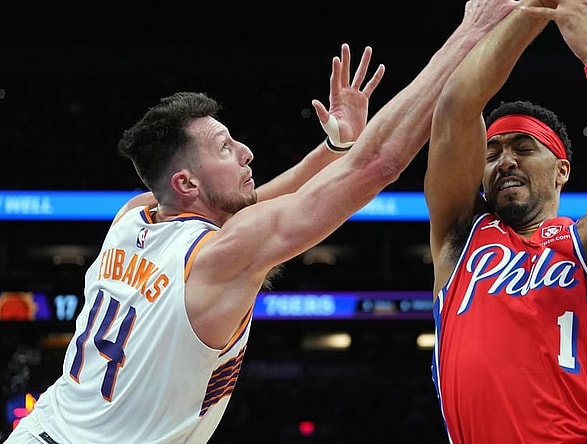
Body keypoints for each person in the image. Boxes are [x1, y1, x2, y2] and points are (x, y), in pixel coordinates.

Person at [4, 0, 521, 442]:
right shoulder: (215, 259)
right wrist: (471, 32)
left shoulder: (134, 216)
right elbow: (378, 165)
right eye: (226, 147)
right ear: (186, 184)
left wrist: (333, 147)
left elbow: (258, 204)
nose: (247, 151)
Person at [426, 0, 587, 442]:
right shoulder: (461, 237)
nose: (504, 161)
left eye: (523, 148)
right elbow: (456, 108)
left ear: (561, 170)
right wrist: (537, 7)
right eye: (492, 152)